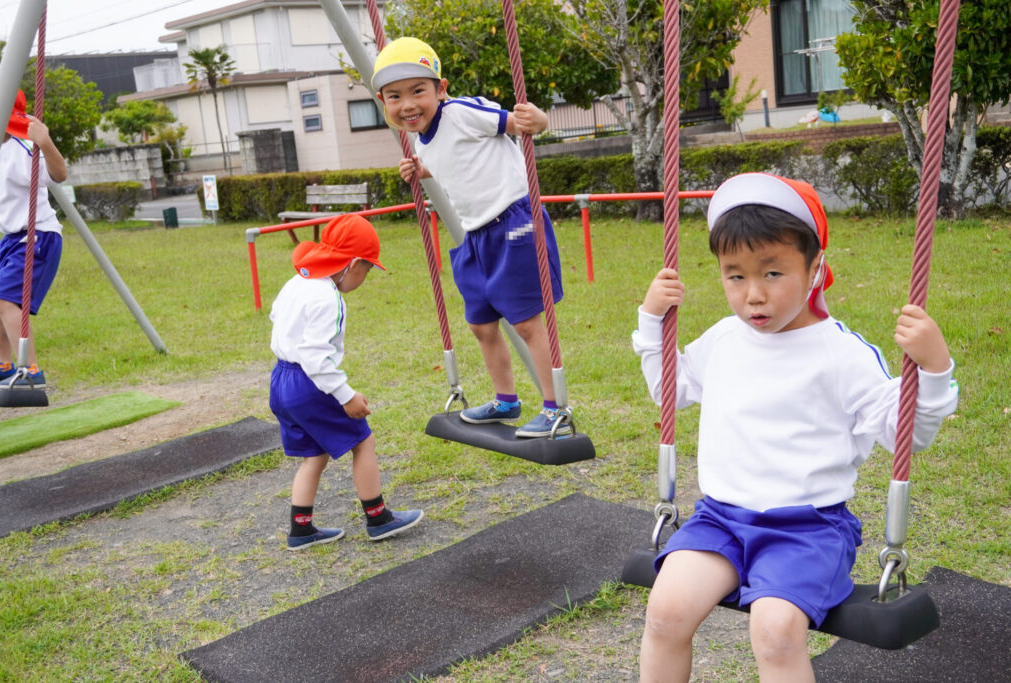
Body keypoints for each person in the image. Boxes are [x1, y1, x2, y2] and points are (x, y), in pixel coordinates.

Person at [632, 173, 959, 681]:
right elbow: (670, 392)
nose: (753, 295)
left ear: (814, 269)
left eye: (773, 273)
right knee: (665, 613)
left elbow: (907, 436)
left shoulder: (843, 355)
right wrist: (652, 321)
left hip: (807, 531)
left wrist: (934, 369)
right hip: (720, 520)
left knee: (775, 632)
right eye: (735, 276)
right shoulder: (724, 339)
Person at [372, 36, 567, 438]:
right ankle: (506, 401)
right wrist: (420, 170)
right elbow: (453, 158)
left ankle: (555, 410)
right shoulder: (419, 138)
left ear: (440, 89)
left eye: (418, 91)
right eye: (395, 96)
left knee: (527, 322)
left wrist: (540, 120)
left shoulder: (462, 112)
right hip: (475, 235)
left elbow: (520, 124)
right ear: (383, 102)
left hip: (515, 221)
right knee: (481, 324)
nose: (407, 104)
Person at [269, 214, 423, 550]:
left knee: (315, 453)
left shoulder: (297, 282)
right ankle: (379, 518)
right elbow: (315, 358)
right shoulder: (329, 298)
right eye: (367, 270)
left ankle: (301, 529)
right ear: (352, 264)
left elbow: (275, 315)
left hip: (280, 379)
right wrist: (345, 395)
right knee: (363, 441)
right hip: (309, 383)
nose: (364, 278)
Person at [0, 77, 67, 390]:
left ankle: (31, 370)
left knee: (5, 299)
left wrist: (45, 142)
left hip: (38, 235)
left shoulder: (23, 147)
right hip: (10, 238)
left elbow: (59, 174)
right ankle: (3, 365)